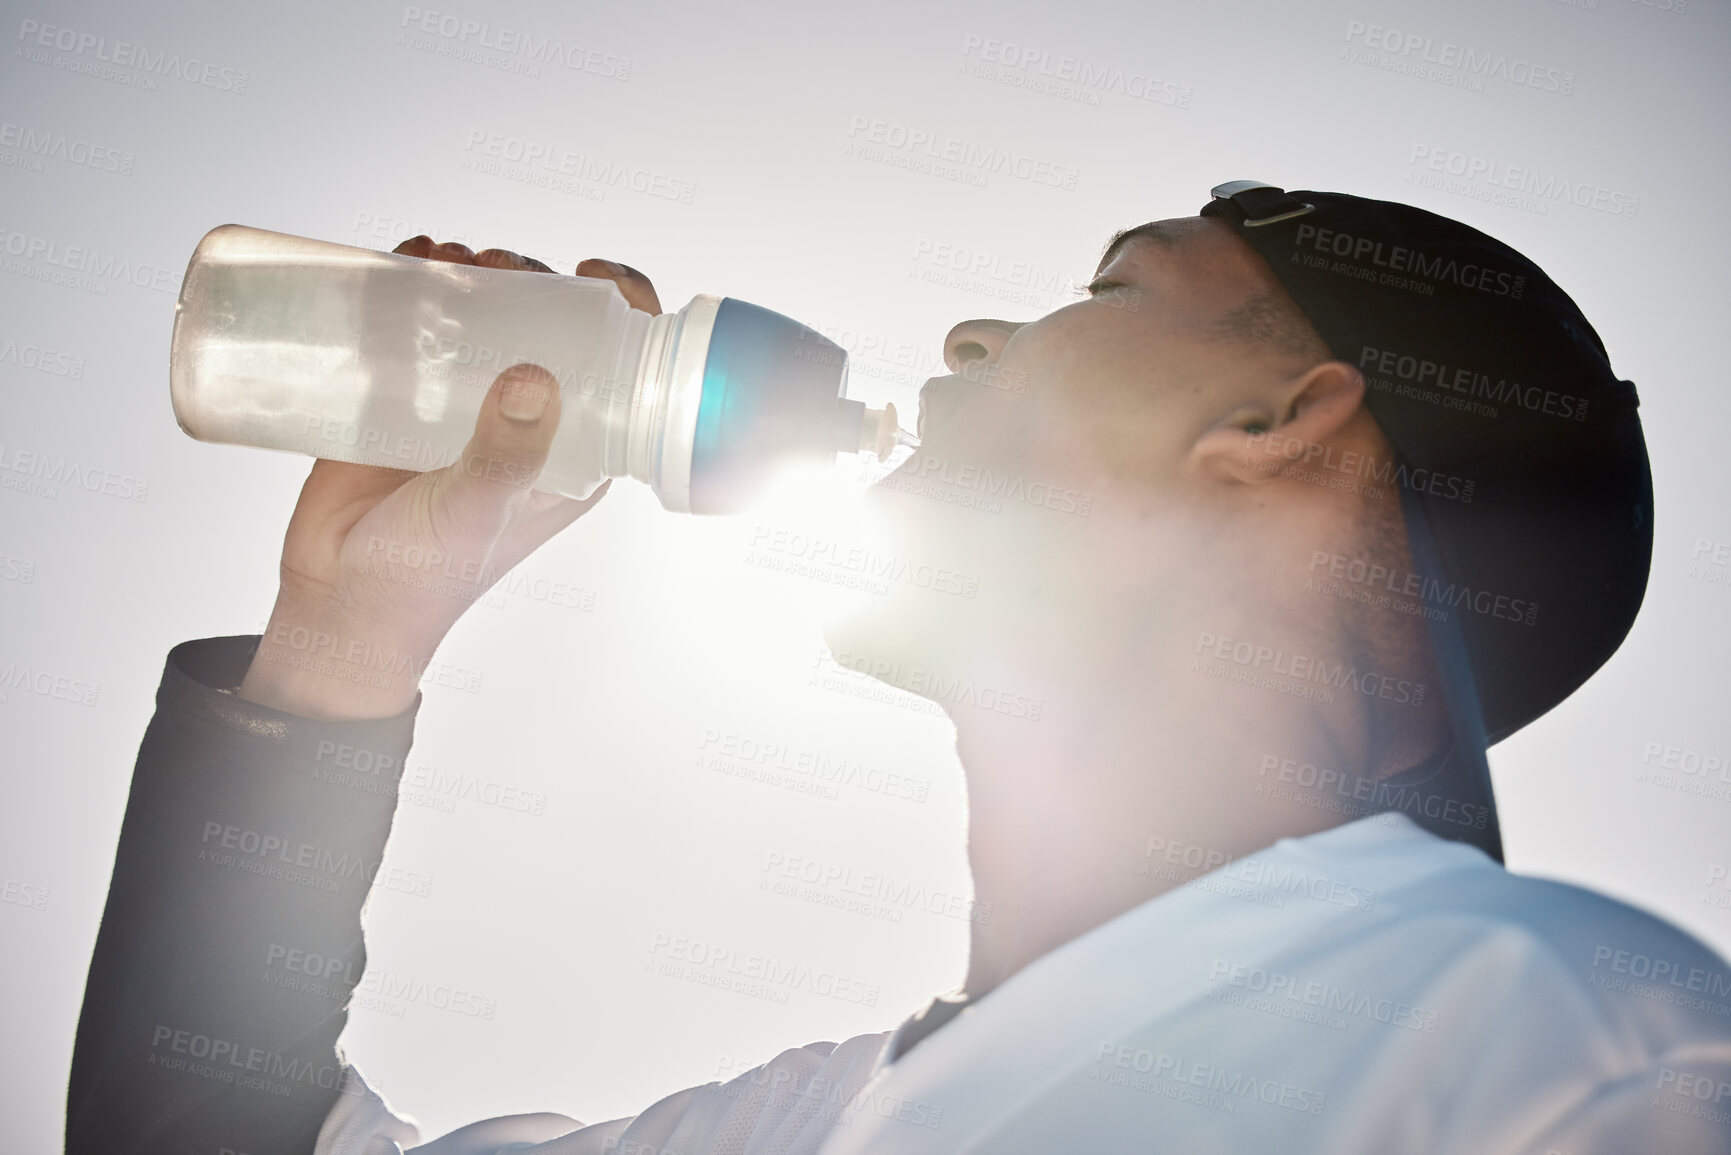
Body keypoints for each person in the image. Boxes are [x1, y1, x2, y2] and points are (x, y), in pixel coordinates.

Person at [67, 183, 1731, 1154]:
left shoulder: (1564, 1061)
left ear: (1272, 427)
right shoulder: (812, 1123)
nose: (969, 343)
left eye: (1110, 290)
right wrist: (344, 645)